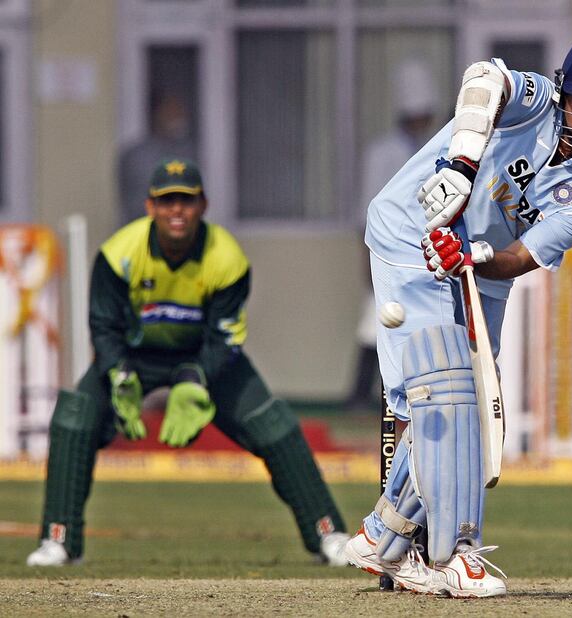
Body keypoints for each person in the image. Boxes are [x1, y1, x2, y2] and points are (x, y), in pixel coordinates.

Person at [343, 36, 572, 597]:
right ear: (564, 92)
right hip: (412, 233)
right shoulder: (534, 100)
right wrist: (461, 167)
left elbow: (520, 258)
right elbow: (484, 77)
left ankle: (382, 536)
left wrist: (476, 256)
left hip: (476, 264)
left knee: (474, 402)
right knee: (448, 387)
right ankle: (456, 552)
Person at [26, 158, 349, 567]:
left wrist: (194, 378)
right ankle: (59, 540)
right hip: (135, 357)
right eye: (167, 201)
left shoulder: (226, 258)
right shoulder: (118, 254)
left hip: (205, 359)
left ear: (203, 205)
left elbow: (224, 336)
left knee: (274, 423)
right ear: (150, 207)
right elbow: (103, 326)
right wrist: (119, 372)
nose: (176, 211)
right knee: (75, 416)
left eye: (186, 201)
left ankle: (328, 533)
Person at [345, 59, 439, 410]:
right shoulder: (382, 152)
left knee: (418, 323)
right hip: (386, 249)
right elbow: (366, 211)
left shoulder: (434, 151)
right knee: (375, 321)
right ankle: (359, 395)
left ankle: (405, 394)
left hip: (423, 250)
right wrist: (365, 257)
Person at [117, 91, 197, 226]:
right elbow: (136, 204)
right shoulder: (139, 156)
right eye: (171, 112)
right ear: (156, 114)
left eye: (179, 112)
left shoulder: (186, 152)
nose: (177, 118)